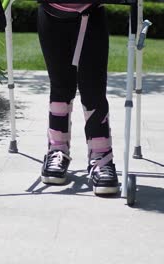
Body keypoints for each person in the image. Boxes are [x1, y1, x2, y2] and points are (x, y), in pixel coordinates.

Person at [37, 1, 118, 195]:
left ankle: (101, 157)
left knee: (93, 90)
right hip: (51, 11)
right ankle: (57, 150)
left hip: (91, 14)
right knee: (60, 87)